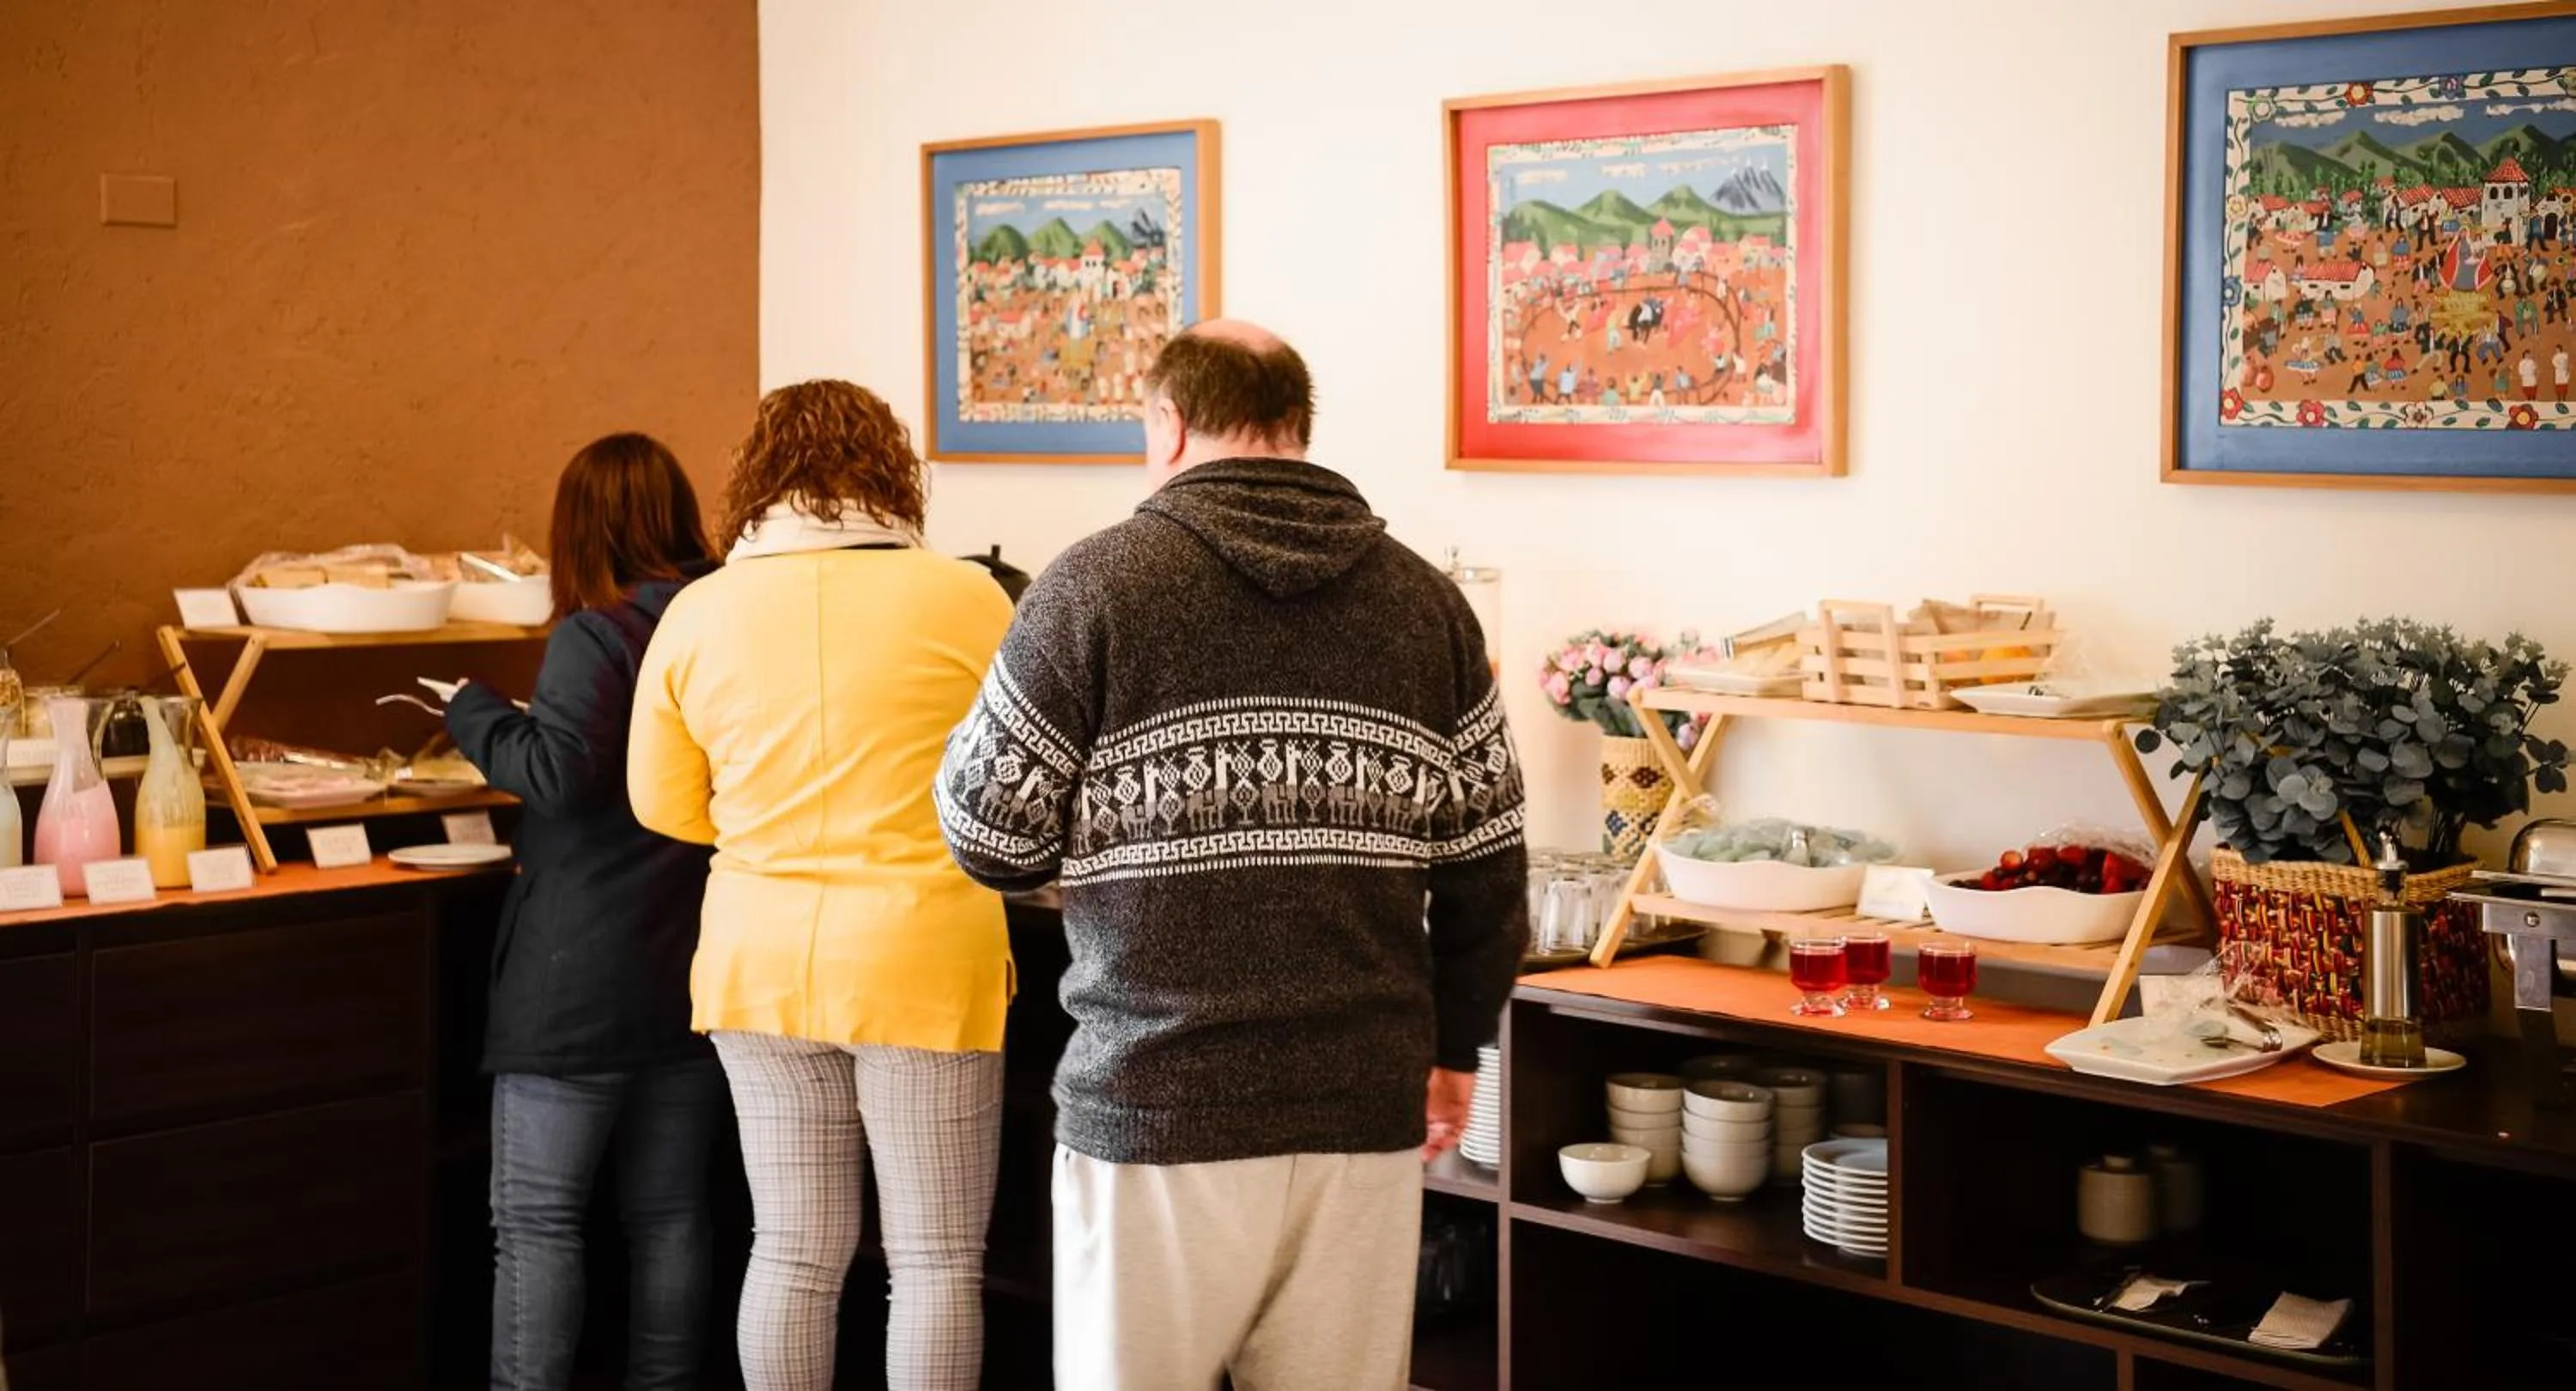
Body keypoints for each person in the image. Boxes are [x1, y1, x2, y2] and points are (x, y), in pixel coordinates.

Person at [936, 320, 1528, 1391]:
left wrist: (1105, 853)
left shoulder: (1092, 588)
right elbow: (1489, 864)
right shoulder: (1428, 603)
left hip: (1158, 1100)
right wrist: (1452, 1048)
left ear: (1166, 424)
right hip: (1362, 1101)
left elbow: (985, 834)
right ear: (1297, 429)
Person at [629, 381, 1016, 1391]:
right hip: (923, 960)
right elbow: (1023, 781)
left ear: (755, 476)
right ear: (891, 472)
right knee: (934, 1261)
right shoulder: (968, 597)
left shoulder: (698, 610)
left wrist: (775, 828)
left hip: (761, 963)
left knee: (794, 1250)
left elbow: (662, 805)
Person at [444, 434, 725, 1391]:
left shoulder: (594, 634)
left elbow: (559, 776)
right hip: (688, 973)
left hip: (576, 989)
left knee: (536, 1222)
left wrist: (473, 710)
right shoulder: (718, 619)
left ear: (580, 530)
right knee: (672, 1219)